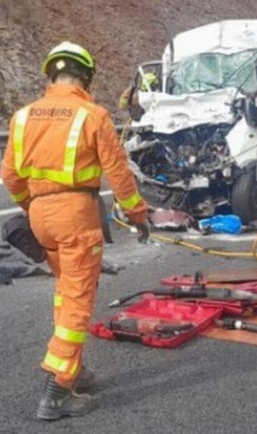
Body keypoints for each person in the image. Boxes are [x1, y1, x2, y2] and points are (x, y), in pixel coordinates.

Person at [1, 41, 150, 421]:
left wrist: (32, 207)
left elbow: (10, 176)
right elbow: (118, 173)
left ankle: (74, 366)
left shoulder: (21, 117)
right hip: (76, 215)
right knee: (78, 299)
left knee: (66, 291)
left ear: (51, 73)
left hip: (40, 215)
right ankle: (57, 391)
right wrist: (137, 215)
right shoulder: (92, 115)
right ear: (86, 76)